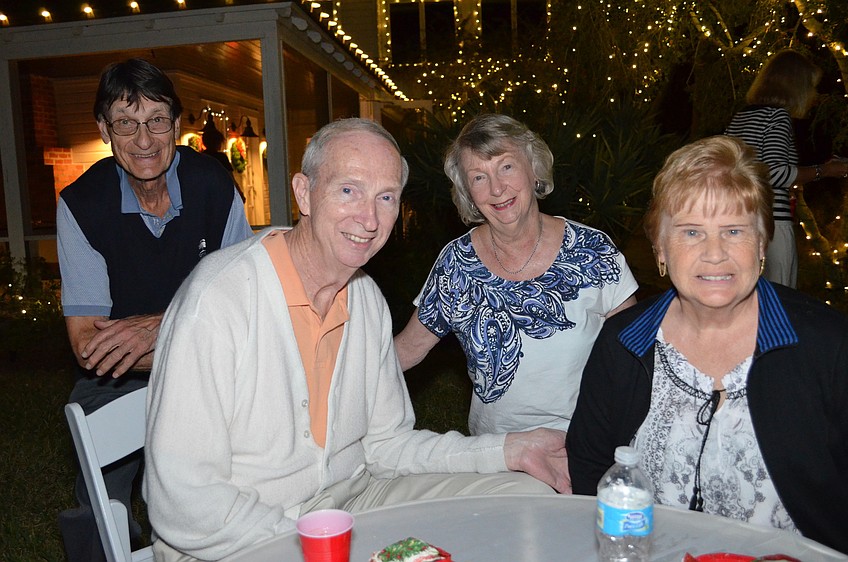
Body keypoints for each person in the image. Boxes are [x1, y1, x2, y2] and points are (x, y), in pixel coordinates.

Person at [144, 117, 571, 561]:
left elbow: (388, 446)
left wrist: (508, 449)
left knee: (523, 489)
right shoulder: (219, 299)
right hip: (235, 535)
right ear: (304, 193)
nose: (368, 219)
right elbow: (184, 502)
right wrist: (321, 546)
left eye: (385, 197)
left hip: (353, 502)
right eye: (348, 190)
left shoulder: (364, 299)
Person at [566, 135, 848, 555]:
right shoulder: (623, 344)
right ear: (661, 249)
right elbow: (590, 467)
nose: (714, 253)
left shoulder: (828, 348)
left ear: (760, 243)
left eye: (733, 230)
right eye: (691, 232)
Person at [56, 58, 254, 561]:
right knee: (99, 492)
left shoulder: (216, 185)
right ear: (105, 130)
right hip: (122, 375)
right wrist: (191, 331)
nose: (144, 140)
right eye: (126, 123)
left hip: (214, 366)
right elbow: (88, 345)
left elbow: (248, 306)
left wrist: (161, 327)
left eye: (157, 120)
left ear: (177, 125)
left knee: (248, 467)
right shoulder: (81, 204)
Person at [394, 113, 637, 435]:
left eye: (506, 166)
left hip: (584, 443)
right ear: (467, 191)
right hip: (496, 455)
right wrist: (330, 383)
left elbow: (634, 351)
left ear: (533, 167)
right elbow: (409, 349)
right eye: (479, 177)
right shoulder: (457, 264)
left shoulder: (592, 251)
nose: (497, 189)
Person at [725, 49, 848, 288]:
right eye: (810, 86)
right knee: (779, 299)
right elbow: (776, 173)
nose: (813, 94)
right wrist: (825, 171)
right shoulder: (777, 117)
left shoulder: (741, 117)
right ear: (796, 86)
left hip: (741, 220)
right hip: (773, 223)